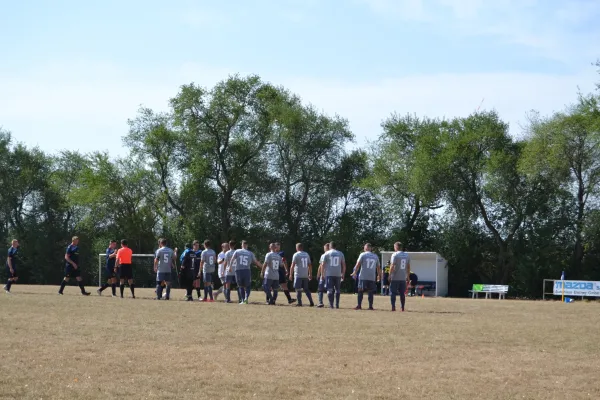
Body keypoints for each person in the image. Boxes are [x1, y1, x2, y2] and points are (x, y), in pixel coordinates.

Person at [230, 240, 262, 304]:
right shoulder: (250, 253)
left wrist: (230, 267)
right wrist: (262, 267)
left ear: (242, 245)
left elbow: (232, 259)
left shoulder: (237, 251)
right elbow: (256, 262)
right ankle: (246, 299)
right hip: (246, 270)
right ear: (247, 245)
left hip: (238, 270)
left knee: (240, 286)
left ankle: (242, 300)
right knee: (248, 285)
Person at [352, 243, 381, 310]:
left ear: (366, 248)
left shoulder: (362, 254)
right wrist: (379, 276)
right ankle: (370, 306)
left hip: (363, 276)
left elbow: (358, 264)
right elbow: (378, 268)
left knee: (360, 291)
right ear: (370, 248)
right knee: (370, 292)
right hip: (372, 276)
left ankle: (359, 305)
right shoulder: (375, 256)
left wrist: (354, 272)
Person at [289, 242, 314, 307]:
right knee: (306, 289)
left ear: (297, 248)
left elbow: (292, 265)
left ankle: (300, 303)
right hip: (305, 275)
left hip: (298, 274)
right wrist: (310, 274)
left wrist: (290, 274)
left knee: (298, 289)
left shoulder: (296, 255)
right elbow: (310, 265)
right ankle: (311, 302)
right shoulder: (306, 254)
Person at [323, 241, 346, 309]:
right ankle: (337, 304)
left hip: (329, 274)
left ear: (330, 246)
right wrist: (343, 273)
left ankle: (331, 305)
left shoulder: (326, 253)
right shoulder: (340, 253)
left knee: (329, 290)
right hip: (338, 274)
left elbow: (322, 265)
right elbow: (344, 265)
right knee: (337, 290)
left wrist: (322, 274)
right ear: (336, 246)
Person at [389, 242, 411, 311]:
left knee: (393, 292)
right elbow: (408, 266)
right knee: (402, 293)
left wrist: (389, 275)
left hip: (395, 277)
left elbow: (392, 265)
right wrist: (408, 276)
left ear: (396, 247)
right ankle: (402, 307)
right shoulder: (407, 255)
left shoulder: (395, 254)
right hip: (403, 277)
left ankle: (393, 307)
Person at [316, 242, 330, 308]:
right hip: (331, 275)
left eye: (324, 248)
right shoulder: (333, 255)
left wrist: (319, 274)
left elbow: (320, 266)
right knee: (330, 289)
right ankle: (331, 303)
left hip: (324, 274)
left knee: (320, 289)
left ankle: (320, 302)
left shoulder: (324, 255)